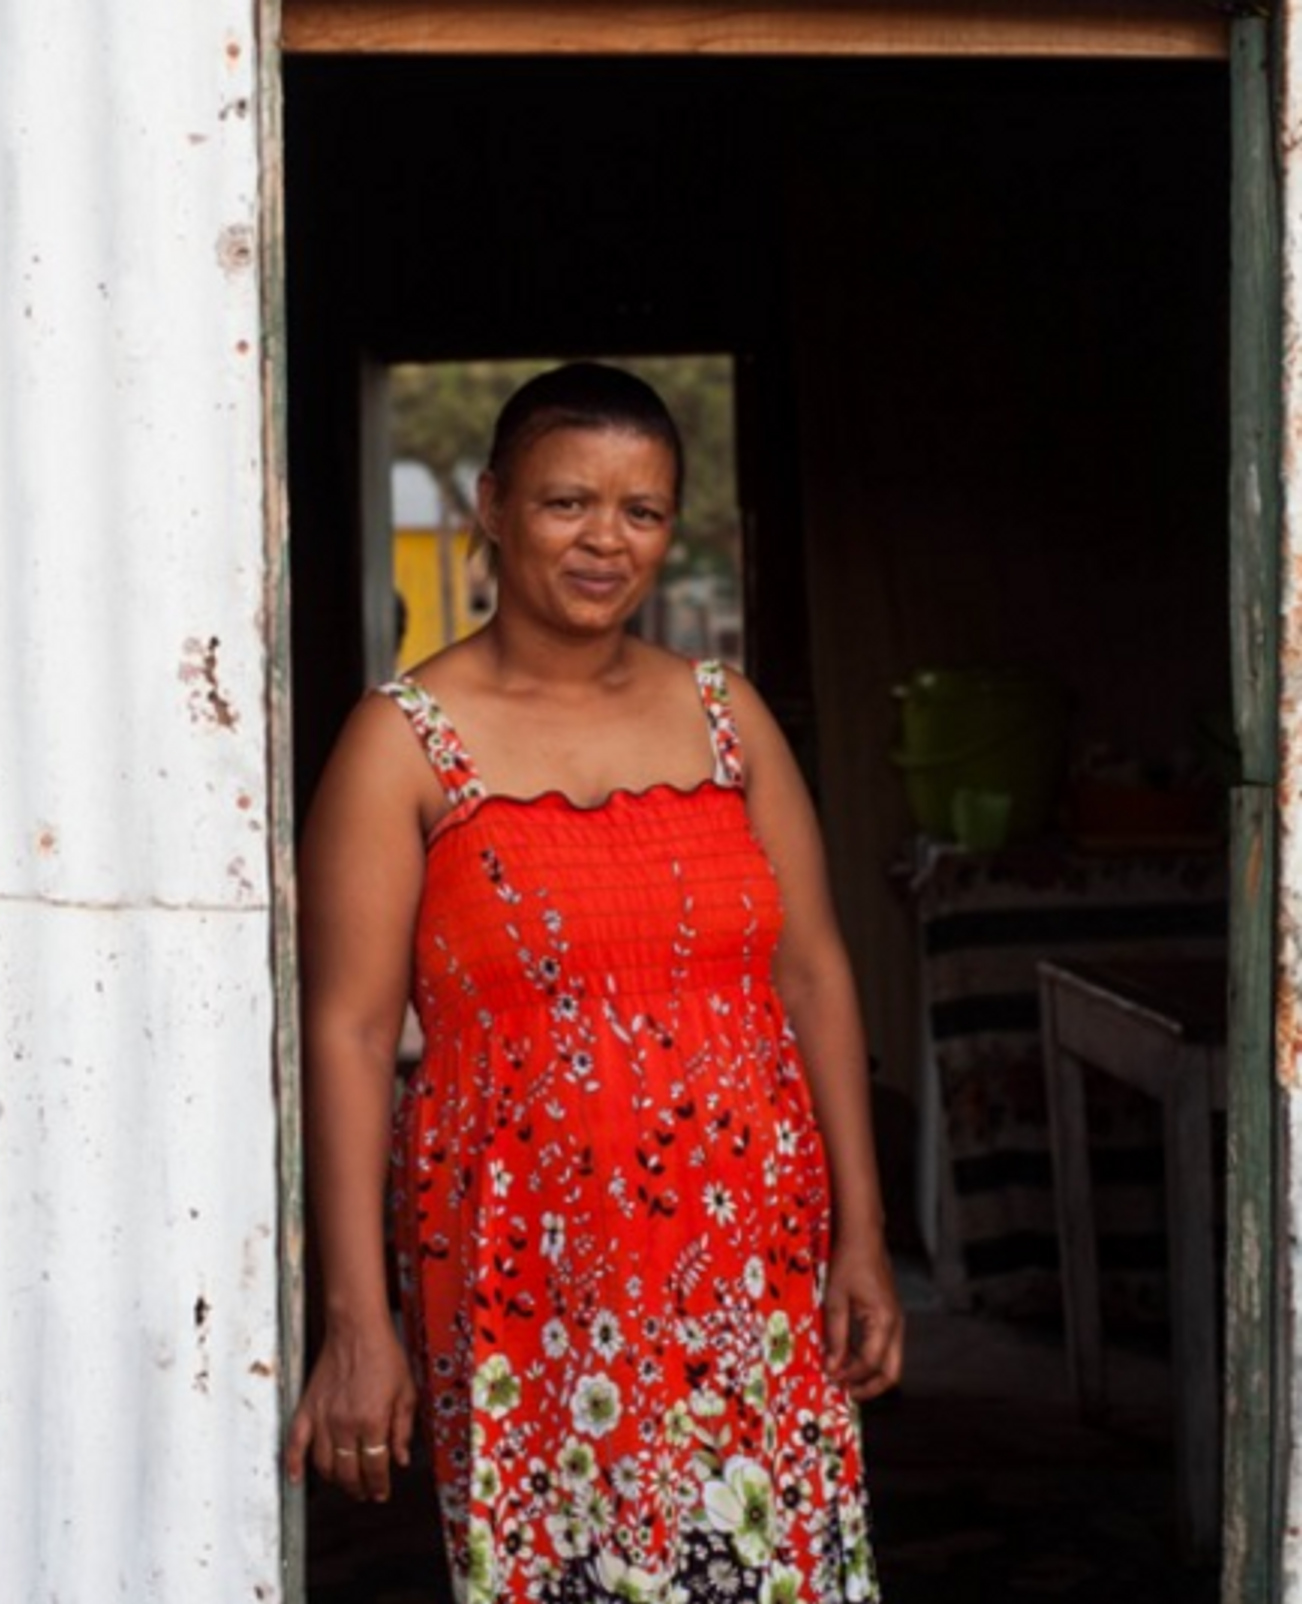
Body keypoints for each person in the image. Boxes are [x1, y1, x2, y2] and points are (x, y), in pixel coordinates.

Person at [285, 362, 903, 1603]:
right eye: (568, 503)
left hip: (752, 1264)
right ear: (493, 504)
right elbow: (347, 1032)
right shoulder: (401, 738)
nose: (605, 541)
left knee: (772, 1568)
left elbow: (814, 968)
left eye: (642, 510)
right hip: (527, 1277)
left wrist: (864, 1236)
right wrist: (358, 1318)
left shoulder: (728, 719)